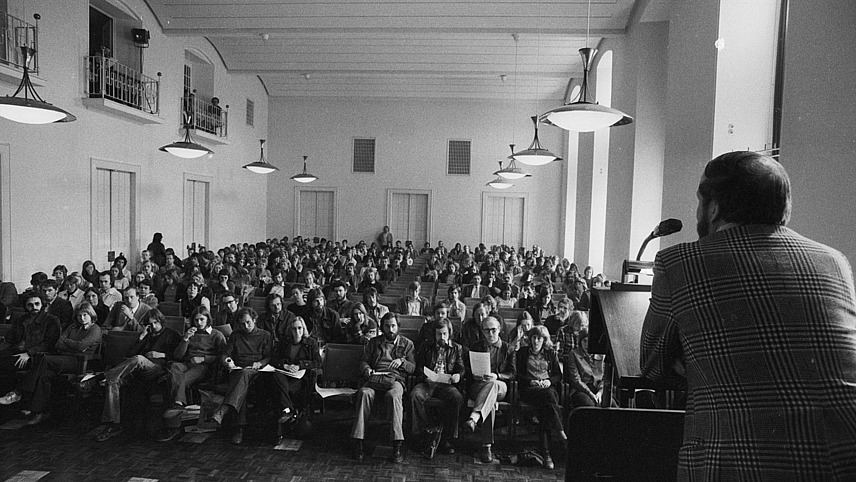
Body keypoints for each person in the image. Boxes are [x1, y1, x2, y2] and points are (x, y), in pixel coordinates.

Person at [640, 151, 856, 479]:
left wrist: (702, 359)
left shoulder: (679, 262)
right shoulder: (834, 261)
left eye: (700, 201)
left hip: (741, 464)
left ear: (713, 207)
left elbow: (653, 365)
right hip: (841, 459)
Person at [0, 302, 102, 425]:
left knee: (44, 359)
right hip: (63, 358)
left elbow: (81, 346)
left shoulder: (95, 329)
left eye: (85, 315)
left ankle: (19, 392)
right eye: (79, 315)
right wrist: (73, 344)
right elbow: (58, 344)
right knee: (44, 375)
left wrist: (68, 342)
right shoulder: (72, 327)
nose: (82, 318)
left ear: (91, 315)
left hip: (78, 361)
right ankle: (39, 412)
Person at [94, 309, 181, 441]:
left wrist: (161, 354)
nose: (153, 326)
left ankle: (102, 376)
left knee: (139, 359)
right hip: (138, 371)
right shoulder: (146, 335)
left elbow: (178, 356)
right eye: (150, 324)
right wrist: (141, 338)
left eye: (155, 323)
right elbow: (130, 355)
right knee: (113, 382)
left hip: (157, 369)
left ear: (161, 321)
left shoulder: (171, 334)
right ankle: (113, 423)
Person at [351, 313, 415, 463]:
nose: (390, 329)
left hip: (395, 379)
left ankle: (397, 444)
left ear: (398, 327)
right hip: (375, 378)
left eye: (393, 326)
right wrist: (367, 369)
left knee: (394, 396)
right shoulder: (374, 342)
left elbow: (412, 368)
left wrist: (402, 362)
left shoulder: (407, 344)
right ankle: (359, 441)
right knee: (364, 393)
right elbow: (364, 362)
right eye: (387, 326)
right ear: (382, 327)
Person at [157, 306, 227, 442]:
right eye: (196, 320)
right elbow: (178, 356)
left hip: (204, 367)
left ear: (208, 319)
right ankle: (178, 403)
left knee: (175, 381)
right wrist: (185, 339)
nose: (199, 323)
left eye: (202, 319)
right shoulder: (190, 333)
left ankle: (173, 422)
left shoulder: (216, 335)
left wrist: (204, 358)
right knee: (174, 367)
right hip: (186, 363)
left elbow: (222, 357)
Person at [211, 307, 273, 444]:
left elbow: (269, 356)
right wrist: (228, 361)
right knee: (241, 384)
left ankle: (227, 414)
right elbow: (225, 354)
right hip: (238, 369)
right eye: (242, 323)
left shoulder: (265, 335)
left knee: (242, 377)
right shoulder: (236, 335)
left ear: (254, 320)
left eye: (248, 322)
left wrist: (260, 363)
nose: (246, 326)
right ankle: (238, 428)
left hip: (256, 371)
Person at [410, 318, 464, 459]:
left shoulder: (456, 348)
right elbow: (419, 367)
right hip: (428, 383)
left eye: (445, 334)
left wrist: (458, 375)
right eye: (439, 334)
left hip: (446, 384)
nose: (442, 337)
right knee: (415, 395)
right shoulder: (426, 346)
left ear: (449, 333)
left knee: (457, 397)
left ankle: (448, 439)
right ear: (434, 334)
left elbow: (461, 368)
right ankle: (421, 434)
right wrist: (425, 377)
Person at [463, 316, 514, 463]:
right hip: (479, 385)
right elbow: (467, 368)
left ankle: (474, 418)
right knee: (489, 401)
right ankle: (486, 446)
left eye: (493, 330)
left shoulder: (508, 348)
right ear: (482, 331)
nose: (490, 334)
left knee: (494, 385)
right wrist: (474, 374)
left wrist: (497, 376)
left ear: (499, 330)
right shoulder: (476, 346)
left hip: (500, 386)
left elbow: (513, 373)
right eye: (486, 330)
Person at [515, 325, 567, 470]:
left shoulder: (551, 353)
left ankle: (546, 453)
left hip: (547, 388)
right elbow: (517, 374)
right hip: (529, 389)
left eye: (540, 338)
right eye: (534, 337)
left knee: (546, 406)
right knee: (548, 397)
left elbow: (558, 375)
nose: (536, 341)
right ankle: (561, 432)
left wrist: (549, 381)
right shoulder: (522, 353)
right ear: (530, 338)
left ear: (545, 340)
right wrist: (531, 381)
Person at [269, 317, 322, 426]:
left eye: (299, 328)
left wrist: (300, 366)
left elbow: (318, 362)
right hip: (286, 374)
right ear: (290, 330)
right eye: (294, 329)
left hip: (301, 377)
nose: (297, 331)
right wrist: (284, 365)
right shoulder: (285, 342)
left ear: (304, 329)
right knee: (276, 377)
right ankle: (289, 410)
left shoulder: (311, 342)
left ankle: (288, 411)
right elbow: (274, 359)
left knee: (281, 389)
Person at [0, 292, 61, 379]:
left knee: (6, 363)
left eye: (37, 304)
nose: (34, 307)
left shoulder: (52, 320)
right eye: (30, 305)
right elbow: (9, 340)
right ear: (25, 306)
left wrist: (28, 353)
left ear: (42, 304)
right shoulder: (20, 319)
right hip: (17, 351)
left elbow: (49, 343)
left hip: (37, 356)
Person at [566, 329, 602, 408]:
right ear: (580, 342)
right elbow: (576, 379)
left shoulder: (601, 355)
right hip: (581, 389)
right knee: (589, 406)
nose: (587, 344)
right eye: (584, 341)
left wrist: (600, 392)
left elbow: (605, 378)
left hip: (598, 388)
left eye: (589, 341)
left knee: (612, 406)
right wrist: (590, 393)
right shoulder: (574, 354)